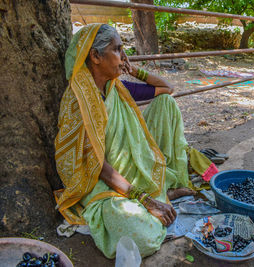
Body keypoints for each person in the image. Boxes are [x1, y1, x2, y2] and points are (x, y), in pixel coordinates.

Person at [54, 24, 218, 259]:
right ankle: (156, 196)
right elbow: (96, 165)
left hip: (125, 171)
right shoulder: (79, 99)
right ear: (96, 56)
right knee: (141, 235)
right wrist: (144, 199)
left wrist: (132, 70)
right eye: (118, 49)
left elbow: (167, 88)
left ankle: (161, 193)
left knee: (166, 104)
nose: (123, 56)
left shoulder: (116, 87)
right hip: (96, 180)